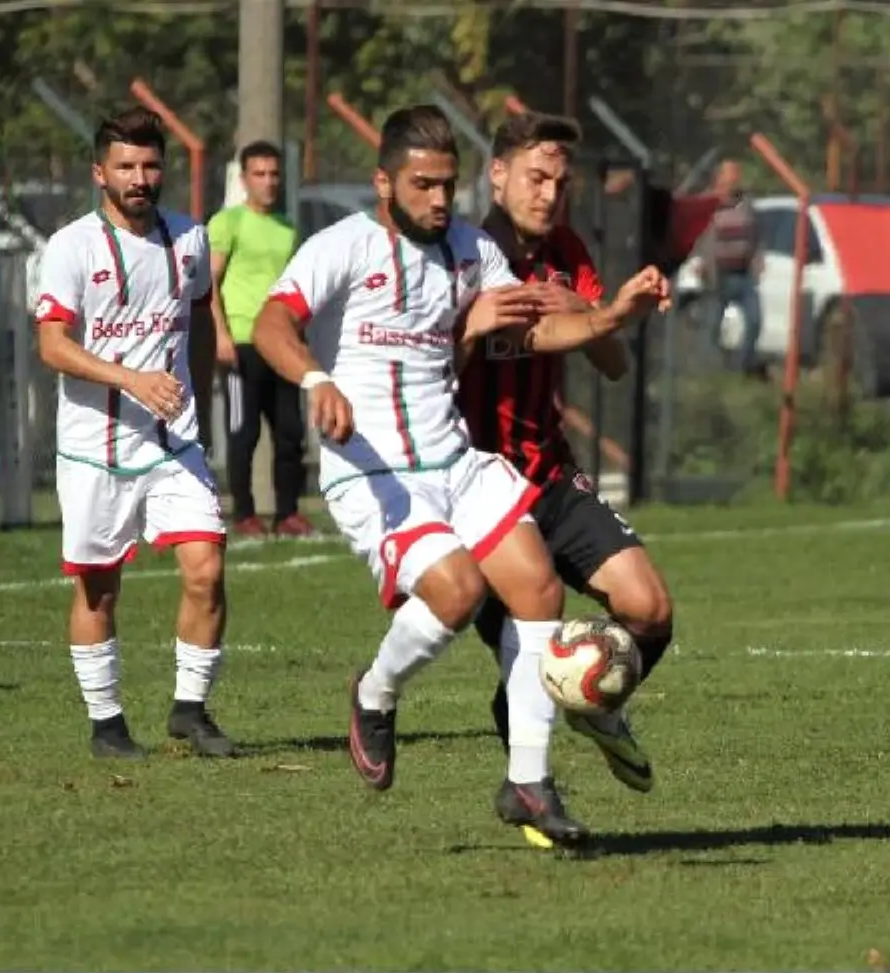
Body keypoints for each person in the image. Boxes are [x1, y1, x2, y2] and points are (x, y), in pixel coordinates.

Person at [251, 104, 669, 847]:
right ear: (384, 182)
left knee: (538, 588)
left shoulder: (474, 251)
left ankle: (528, 785)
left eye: (446, 184)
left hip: (458, 460)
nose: (438, 200)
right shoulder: (340, 246)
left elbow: (535, 329)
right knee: (457, 590)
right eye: (421, 185)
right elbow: (272, 324)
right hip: (374, 471)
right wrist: (317, 380)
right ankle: (374, 694)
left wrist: (612, 317)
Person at [460, 111, 675, 796]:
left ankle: (595, 694)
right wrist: (590, 316)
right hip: (479, 490)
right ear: (497, 175)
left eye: (559, 181)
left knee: (650, 610)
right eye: (535, 177)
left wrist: (596, 315)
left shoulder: (567, 250)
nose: (548, 193)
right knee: (531, 641)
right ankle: (531, 789)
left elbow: (612, 364)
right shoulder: (464, 255)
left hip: (550, 471)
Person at [33, 107, 234, 760]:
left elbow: (202, 317)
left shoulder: (191, 240)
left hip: (175, 445)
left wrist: (195, 396)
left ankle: (190, 710)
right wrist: (130, 378)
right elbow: (52, 345)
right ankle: (107, 725)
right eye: (126, 166)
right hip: (97, 449)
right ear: (100, 172)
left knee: (207, 568)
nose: (140, 177)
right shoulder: (71, 247)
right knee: (99, 587)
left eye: (150, 165)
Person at [207, 140, 313, 538]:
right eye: (260, 174)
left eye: (274, 174)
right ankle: (245, 515)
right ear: (244, 178)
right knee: (244, 431)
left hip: (281, 343)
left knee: (290, 431)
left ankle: (287, 513)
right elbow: (209, 284)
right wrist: (220, 333)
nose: (268, 182)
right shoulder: (227, 222)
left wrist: (299, 338)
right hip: (241, 344)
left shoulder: (287, 228)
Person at [697, 159, 765, 379]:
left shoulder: (746, 203)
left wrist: (758, 259)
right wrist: (701, 263)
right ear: (720, 179)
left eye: (737, 173)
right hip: (719, 276)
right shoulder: (707, 204)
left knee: (755, 320)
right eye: (731, 174)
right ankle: (710, 375)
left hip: (744, 274)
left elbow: (756, 234)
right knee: (712, 327)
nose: (736, 178)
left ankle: (740, 368)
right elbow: (698, 238)